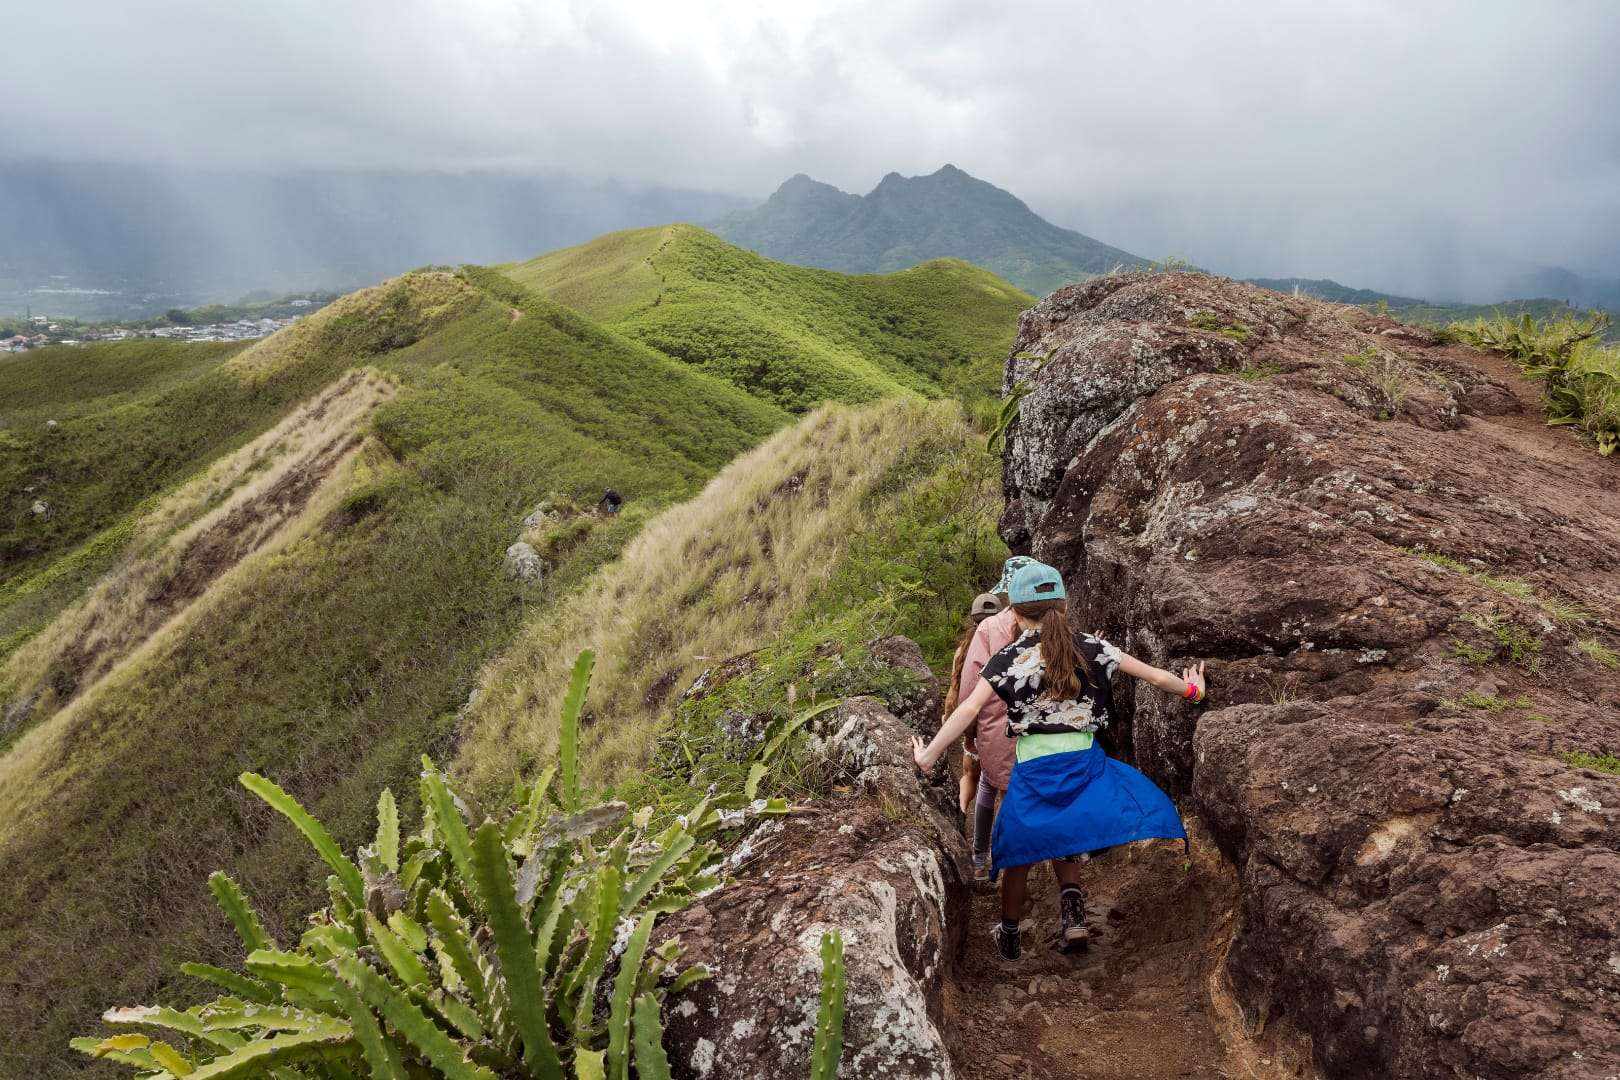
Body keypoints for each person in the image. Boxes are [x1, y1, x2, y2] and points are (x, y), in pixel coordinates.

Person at [913, 560, 1206, 962]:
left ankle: (1010, 932)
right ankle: (1075, 913)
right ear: (1065, 606)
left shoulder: (1008, 659)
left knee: (1017, 848)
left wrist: (928, 755)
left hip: (1033, 772)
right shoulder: (1092, 647)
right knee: (1068, 833)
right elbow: (1155, 676)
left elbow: (968, 709)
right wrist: (1193, 691)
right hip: (1084, 764)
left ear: (1014, 612)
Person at [956, 557, 1033, 882]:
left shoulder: (989, 630)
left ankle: (984, 858)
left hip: (997, 731)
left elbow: (968, 690)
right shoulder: (1058, 624)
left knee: (993, 789)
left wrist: (969, 734)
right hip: (1049, 735)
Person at [944, 591, 1005, 819]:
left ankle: (958, 816)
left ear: (973, 619)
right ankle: (997, 845)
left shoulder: (963, 650)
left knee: (970, 776)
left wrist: (949, 723)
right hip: (1000, 727)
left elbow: (953, 695)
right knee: (1002, 790)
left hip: (973, 726)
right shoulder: (1008, 646)